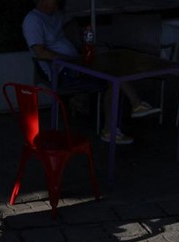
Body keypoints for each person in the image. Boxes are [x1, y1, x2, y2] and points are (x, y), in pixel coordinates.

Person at [22, 0, 158, 145]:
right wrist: (71, 60)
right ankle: (133, 106)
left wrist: (80, 40)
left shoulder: (55, 16)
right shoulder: (33, 20)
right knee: (112, 75)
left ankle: (116, 124)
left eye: (55, 1)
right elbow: (40, 52)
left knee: (112, 76)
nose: (53, 5)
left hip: (73, 65)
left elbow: (69, 24)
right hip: (62, 71)